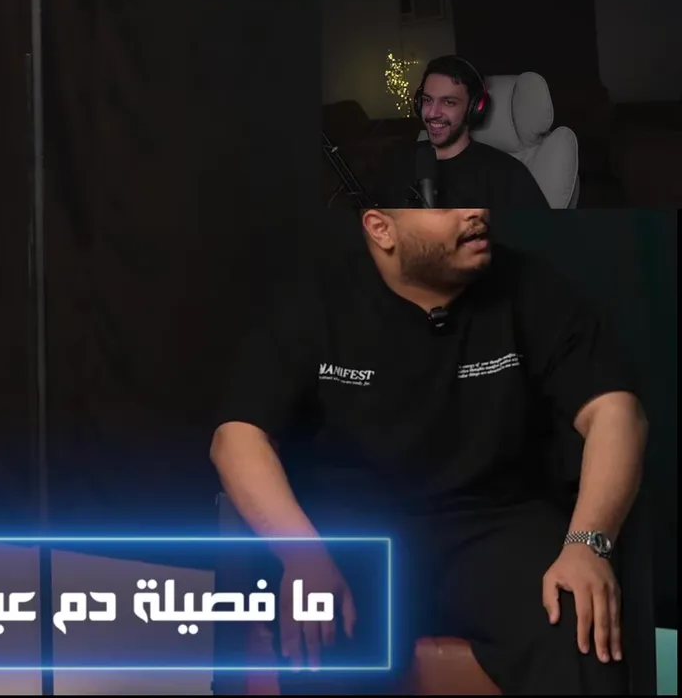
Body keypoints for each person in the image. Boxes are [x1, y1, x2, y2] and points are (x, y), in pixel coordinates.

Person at [212, 209, 647, 694]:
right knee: (324, 629)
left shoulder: (532, 288)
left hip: (496, 523)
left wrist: (588, 544)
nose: (475, 212)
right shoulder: (316, 298)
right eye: (444, 203)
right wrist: (303, 555)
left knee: (580, 621)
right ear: (382, 228)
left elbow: (616, 413)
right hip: (356, 531)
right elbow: (237, 437)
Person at [374, 56, 551, 209]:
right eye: (427, 100)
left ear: (475, 108)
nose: (432, 113)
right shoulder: (398, 162)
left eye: (449, 102)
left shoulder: (507, 174)